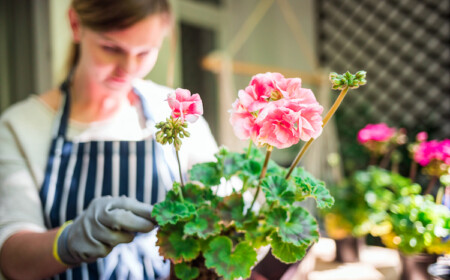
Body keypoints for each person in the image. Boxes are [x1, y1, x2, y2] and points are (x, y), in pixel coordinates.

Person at [0, 0, 218, 279]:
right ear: (76, 26)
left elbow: (221, 200)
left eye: (144, 52)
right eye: (111, 48)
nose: (127, 68)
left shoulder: (175, 113)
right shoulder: (21, 127)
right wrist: (68, 241)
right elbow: (12, 259)